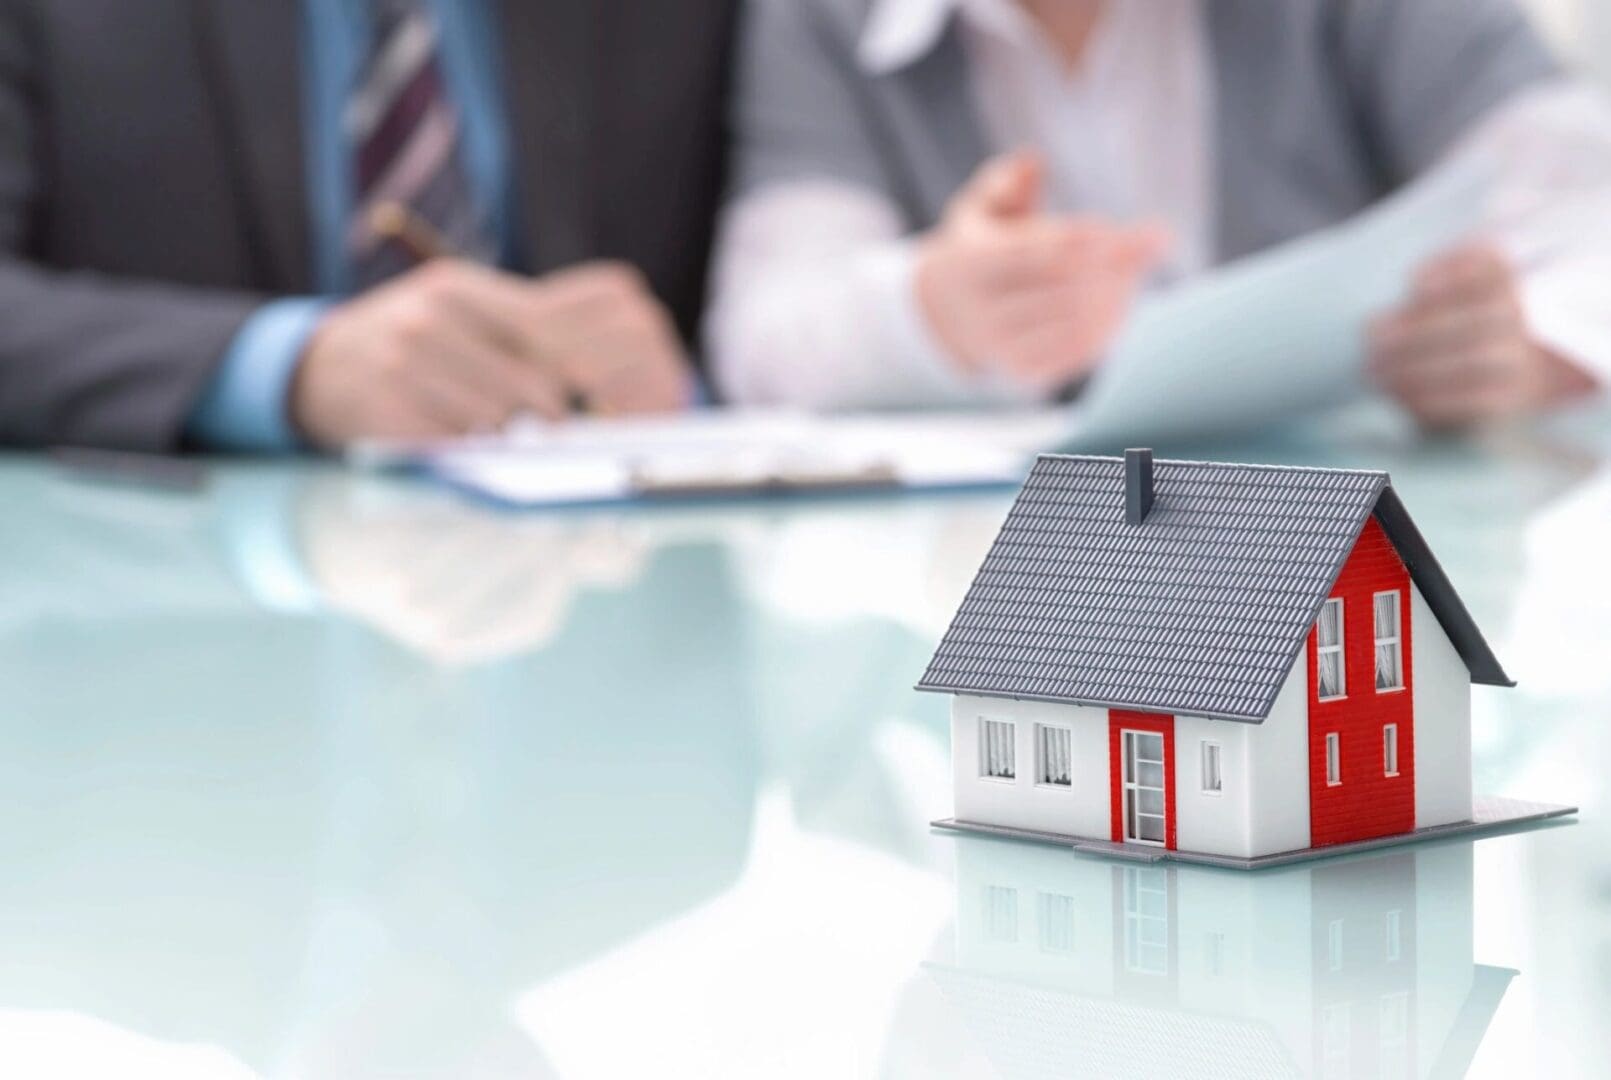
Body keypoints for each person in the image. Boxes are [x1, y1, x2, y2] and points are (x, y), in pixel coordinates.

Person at [710, 0, 1610, 429]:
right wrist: (931, 310)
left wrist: (1524, 345)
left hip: (1349, 524)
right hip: (1010, 570)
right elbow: (764, 328)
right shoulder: (818, 21)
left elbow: (1582, 200)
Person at [0, 0, 737, 452]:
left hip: (596, 594)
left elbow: (772, 268)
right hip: (173, 628)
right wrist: (289, 370)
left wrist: (683, 382)